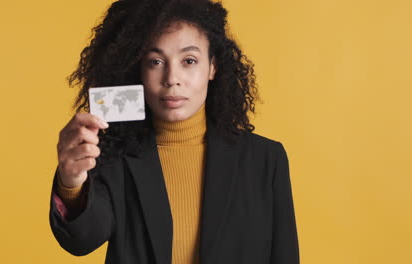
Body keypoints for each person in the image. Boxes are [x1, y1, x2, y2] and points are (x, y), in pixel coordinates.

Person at [49, 0, 300, 263]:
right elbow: (81, 241)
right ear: (139, 71)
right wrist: (72, 181)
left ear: (212, 67)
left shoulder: (265, 160)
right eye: (155, 61)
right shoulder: (113, 154)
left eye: (189, 60)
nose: (172, 78)